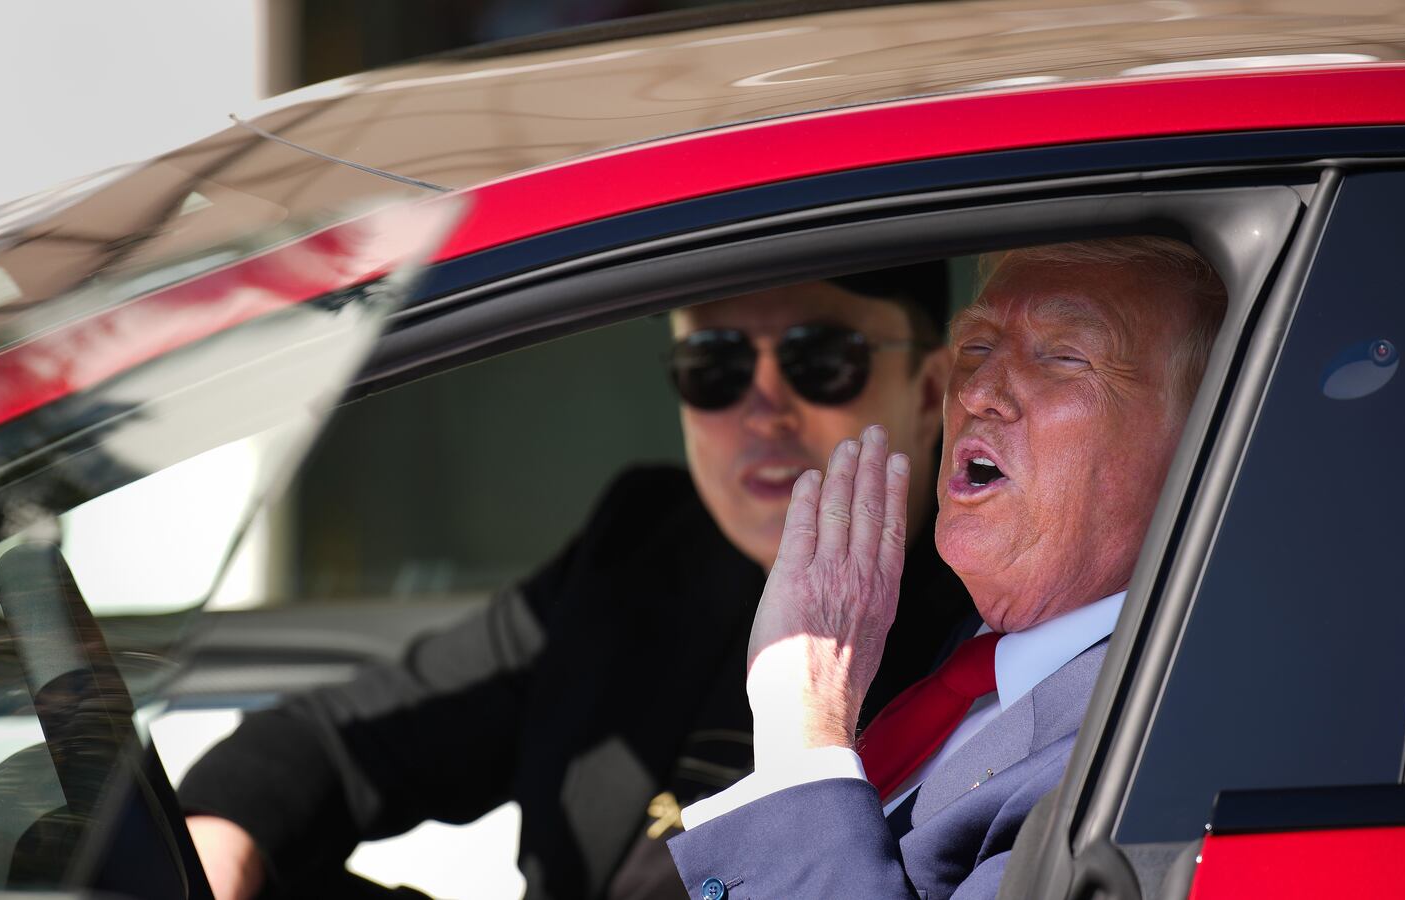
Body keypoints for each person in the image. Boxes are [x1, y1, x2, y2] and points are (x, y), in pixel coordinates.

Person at [177, 265, 976, 900]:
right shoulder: (643, 546)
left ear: (932, 391)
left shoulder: (990, 624)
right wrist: (221, 835)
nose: (764, 408)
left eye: (820, 360)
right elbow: (344, 740)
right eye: (714, 364)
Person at [667, 237, 1227, 899]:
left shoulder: (1153, 748)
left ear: (1203, 432)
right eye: (977, 348)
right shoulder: (966, 654)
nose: (980, 391)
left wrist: (803, 732)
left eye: (1065, 356)